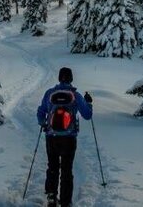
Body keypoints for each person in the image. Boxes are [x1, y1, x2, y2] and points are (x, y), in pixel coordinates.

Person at [36, 66, 93, 207]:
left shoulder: (50, 93)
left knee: (52, 166)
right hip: (69, 138)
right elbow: (87, 115)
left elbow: (40, 112)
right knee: (67, 169)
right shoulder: (76, 95)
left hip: (52, 137)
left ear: (59, 78)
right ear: (71, 79)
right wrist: (89, 103)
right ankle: (66, 201)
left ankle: (51, 196)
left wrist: (43, 123)